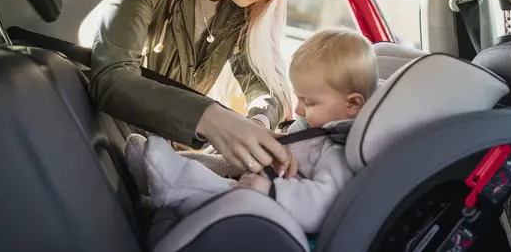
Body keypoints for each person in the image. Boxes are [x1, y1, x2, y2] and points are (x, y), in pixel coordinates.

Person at [89, 0, 311, 173]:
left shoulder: (239, 10)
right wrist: (211, 119)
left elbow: (264, 85)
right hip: (108, 148)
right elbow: (110, 77)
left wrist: (257, 122)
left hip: (160, 161)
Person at [126, 28, 380, 233]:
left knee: (224, 189)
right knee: (225, 161)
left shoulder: (338, 150)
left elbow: (320, 206)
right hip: (263, 178)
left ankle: (170, 177)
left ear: (352, 104)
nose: (299, 109)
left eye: (310, 102)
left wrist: (270, 191)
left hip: (268, 209)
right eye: (298, 98)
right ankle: (161, 165)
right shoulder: (319, 126)